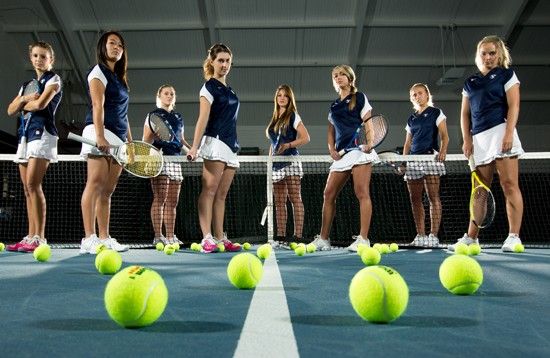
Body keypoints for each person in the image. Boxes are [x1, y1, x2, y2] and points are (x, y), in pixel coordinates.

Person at [449, 35, 524, 252]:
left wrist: (508, 133)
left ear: (499, 54)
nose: (488, 57)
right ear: (478, 55)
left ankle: (514, 236)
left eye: (492, 53)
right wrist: (467, 139)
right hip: (479, 140)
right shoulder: (470, 82)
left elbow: (514, 106)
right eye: (484, 53)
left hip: (501, 132)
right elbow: (465, 114)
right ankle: (471, 238)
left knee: (509, 185)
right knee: (480, 190)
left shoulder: (507, 75)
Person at [308, 65, 379, 252]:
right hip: (341, 154)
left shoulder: (360, 97)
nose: (338, 77)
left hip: (359, 151)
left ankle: (363, 239)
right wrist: (331, 149)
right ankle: (323, 239)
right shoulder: (334, 105)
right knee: (328, 194)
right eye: (335, 75)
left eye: (342, 75)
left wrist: (369, 142)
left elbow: (368, 122)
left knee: (361, 192)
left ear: (350, 78)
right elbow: (331, 131)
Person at [6, 41, 62, 253]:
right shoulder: (26, 86)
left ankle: (40, 237)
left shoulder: (54, 79)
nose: (39, 59)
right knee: (27, 189)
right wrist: (26, 98)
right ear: (31, 58)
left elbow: (41, 105)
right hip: (24, 137)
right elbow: (11, 110)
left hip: (43, 135)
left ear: (51, 60)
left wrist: (23, 104)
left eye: (43, 56)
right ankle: (30, 236)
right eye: (36, 56)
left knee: (33, 184)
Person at [79, 31, 131, 254]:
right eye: (112, 43)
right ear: (103, 47)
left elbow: (124, 114)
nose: (116, 47)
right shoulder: (97, 71)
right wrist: (99, 136)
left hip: (118, 139)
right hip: (100, 132)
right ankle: (88, 238)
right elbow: (97, 105)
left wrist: (130, 143)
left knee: (107, 191)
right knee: (96, 183)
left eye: (120, 45)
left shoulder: (119, 79)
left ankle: (104, 237)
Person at [187, 43, 241, 253]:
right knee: (209, 191)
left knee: (221, 195)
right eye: (220, 60)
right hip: (214, 142)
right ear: (212, 62)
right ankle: (206, 237)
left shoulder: (230, 90)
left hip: (231, 145)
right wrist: (194, 146)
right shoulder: (208, 87)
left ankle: (220, 237)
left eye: (228, 60)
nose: (225, 64)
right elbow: (202, 118)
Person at [402, 83, 449, 247]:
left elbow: (445, 136)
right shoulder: (411, 118)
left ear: (427, 95)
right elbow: (407, 144)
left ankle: (433, 236)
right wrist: (404, 161)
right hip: (413, 161)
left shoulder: (436, 113)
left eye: (420, 93)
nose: (417, 96)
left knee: (433, 197)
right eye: (414, 94)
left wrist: (443, 151)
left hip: (431, 159)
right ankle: (420, 235)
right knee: (415, 199)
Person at [143, 85, 190, 246]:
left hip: (176, 160)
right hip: (159, 159)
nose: (169, 96)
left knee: (172, 201)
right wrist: (148, 159)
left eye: (172, 94)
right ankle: (158, 236)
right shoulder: (153, 115)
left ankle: (170, 236)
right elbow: (146, 140)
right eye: (166, 93)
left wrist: (192, 151)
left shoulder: (178, 117)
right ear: (159, 96)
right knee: (160, 198)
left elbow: (180, 141)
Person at [265, 84, 310, 245]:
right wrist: (269, 164)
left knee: (295, 198)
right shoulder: (274, 118)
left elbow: (306, 137)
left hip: (291, 161)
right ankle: (281, 237)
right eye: (279, 95)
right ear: (276, 98)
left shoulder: (293, 116)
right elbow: (273, 144)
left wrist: (289, 145)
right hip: (276, 165)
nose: (282, 98)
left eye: (285, 95)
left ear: (290, 99)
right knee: (279, 202)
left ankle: (298, 237)